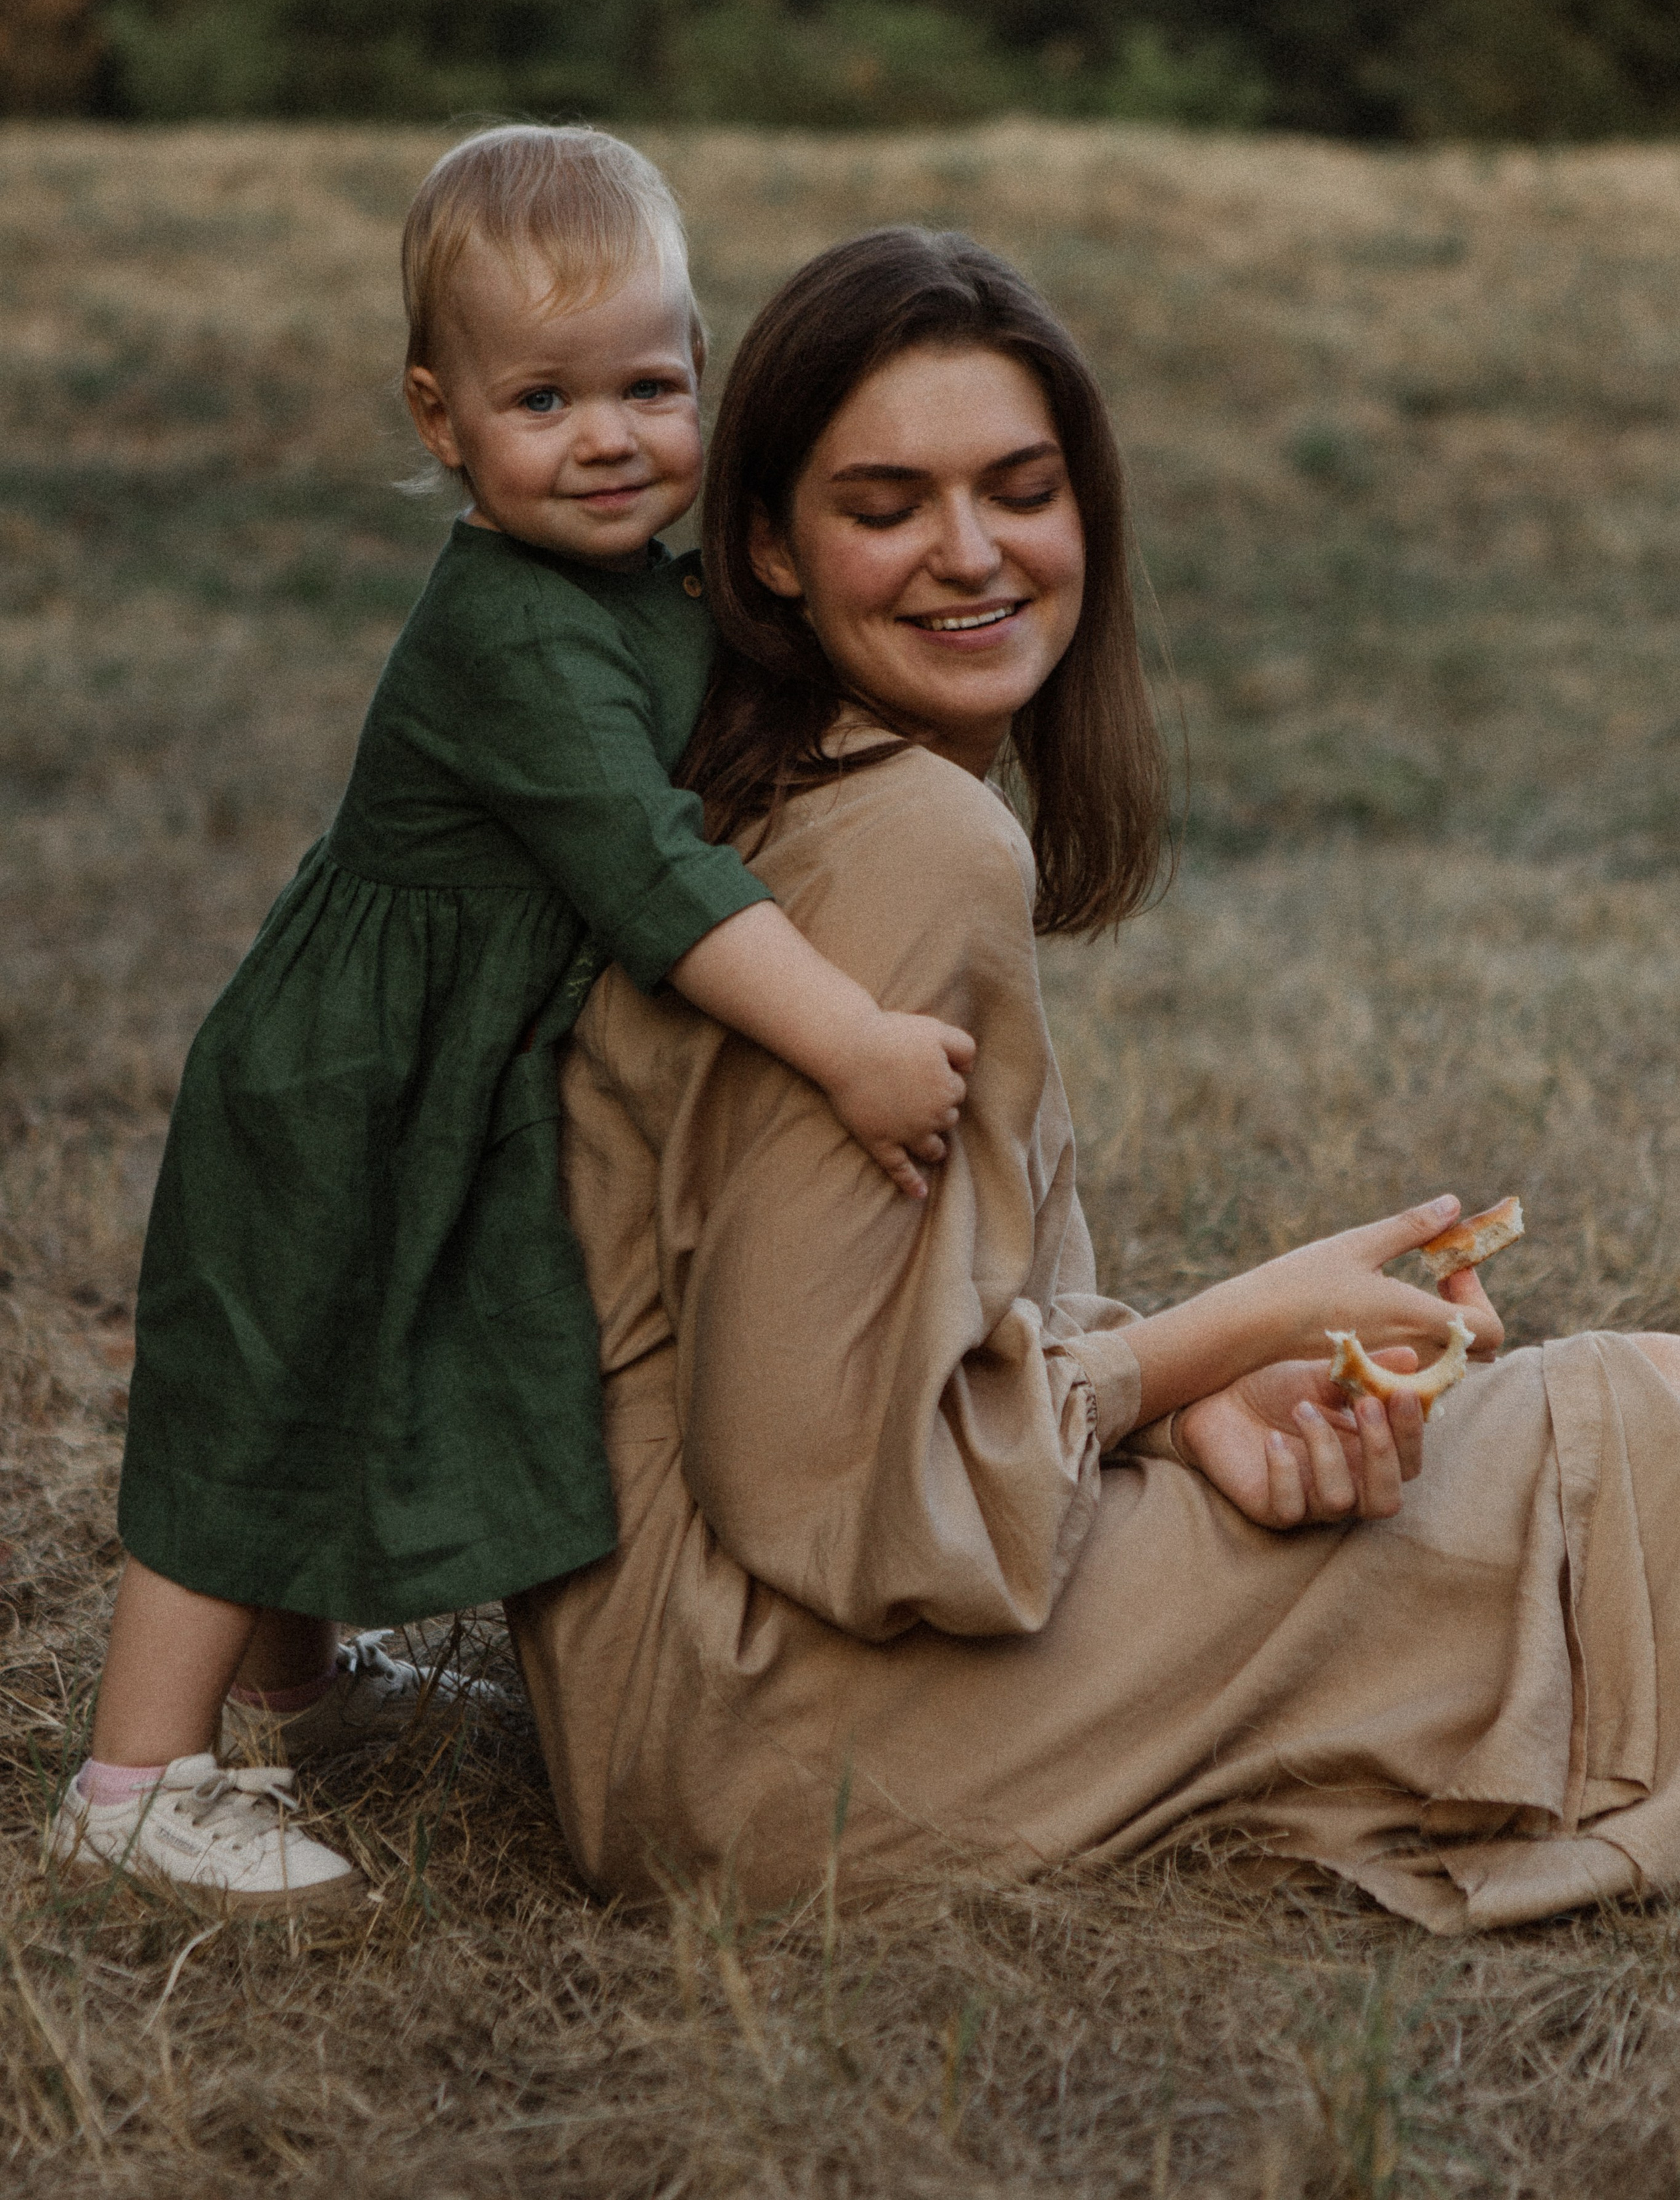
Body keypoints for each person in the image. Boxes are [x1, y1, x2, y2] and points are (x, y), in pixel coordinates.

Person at [508, 226, 1680, 1934]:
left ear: (1088, 516)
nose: (969, 552)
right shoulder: (904, 837)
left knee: (1524, 1478)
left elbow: (856, 1341)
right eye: (886, 503)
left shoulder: (780, 810)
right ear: (765, 546)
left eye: (1021, 487)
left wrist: (1187, 1407)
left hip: (681, 1695)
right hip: (780, 1718)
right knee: (1633, 1438)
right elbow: (833, 1484)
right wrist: (1222, 1334)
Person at [52, 135, 973, 1913]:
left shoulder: (630, 587)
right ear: (440, 416)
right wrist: (848, 1036)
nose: (611, 434)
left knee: (343, 1359)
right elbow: (653, 876)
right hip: (337, 1076)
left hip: (430, 1060)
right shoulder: (512, 638)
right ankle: (131, 1781)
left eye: (650, 383)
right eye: (544, 397)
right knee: (261, 1394)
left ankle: (297, 1694)